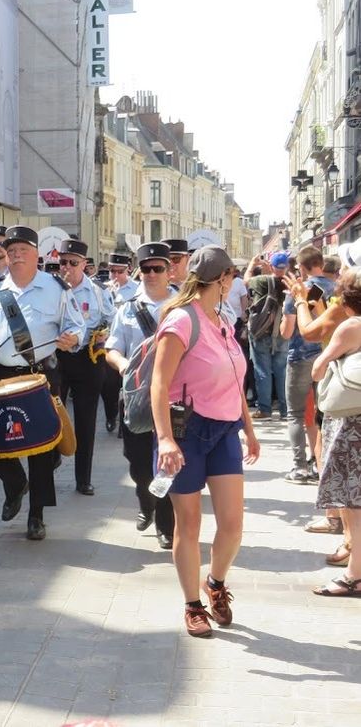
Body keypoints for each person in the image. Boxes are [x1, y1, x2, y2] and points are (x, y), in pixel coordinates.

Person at [151, 245, 260, 638]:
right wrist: (165, 440)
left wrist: (248, 427)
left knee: (232, 524)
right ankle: (192, 605)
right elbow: (159, 384)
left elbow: (234, 376)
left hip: (225, 430)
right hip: (187, 432)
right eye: (232, 276)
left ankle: (214, 583)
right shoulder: (182, 320)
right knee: (190, 524)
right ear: (224, 279)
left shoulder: (222, 318)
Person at [0, 226, 83, 540]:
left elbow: (75, 325)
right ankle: (15, 483)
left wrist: (72, 337)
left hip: (38, 375)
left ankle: (37, 515)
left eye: (22, 251)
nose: (15, 255)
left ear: (37, 256)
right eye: (11, 250)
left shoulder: (56, 288)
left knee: (40, 447)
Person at [105, 243, 176, 549]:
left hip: (174, 396)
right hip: (135, 396)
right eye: (145, 269)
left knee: (166, 461)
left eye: (157, 268)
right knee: (137, 463)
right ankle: (145, 501)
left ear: (169, 271)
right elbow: (112, 348)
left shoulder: (183, 307)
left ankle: (165, 523)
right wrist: (124, 367)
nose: (150, 274)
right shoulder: (128, 308)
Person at [310, 268, 361, 597]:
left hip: (351, 421)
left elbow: (318, 369)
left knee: (354, 501)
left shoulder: (352, 327)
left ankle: (354, 574)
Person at [57, 238, 115, 495]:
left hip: (88, 358)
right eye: (62, 262)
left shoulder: (98, 292)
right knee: (52, 414)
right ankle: (51, 459)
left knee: (86, 419)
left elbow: (111, 321)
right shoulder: (52, 288)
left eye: (73, 263)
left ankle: (84, 478)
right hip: (57, 359)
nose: (66, 267)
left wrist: (104, 334)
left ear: (85, 265)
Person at [280, 247, 335, 484]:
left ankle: (300, 466)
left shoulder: (298, 290)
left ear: (300, 268)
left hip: (301, 356)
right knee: (323, 413)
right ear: (321, 263)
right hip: (328, 355)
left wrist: (290, 305)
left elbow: (286, 331)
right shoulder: (336, 288)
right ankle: (321, 463)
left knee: (296, 413)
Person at [247, 250, 290, 420]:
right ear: (286, 266)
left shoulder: (261, 280)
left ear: (271, 266)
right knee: (282, 371)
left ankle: (265, 409)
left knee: (262, 370)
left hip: (261, 332)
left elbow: (246, 281)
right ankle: (286, 410)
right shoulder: (290, 282)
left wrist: (252, 264)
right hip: (283, 331)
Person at [101, 253, 135, 434]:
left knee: (127, 385)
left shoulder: (137, 288)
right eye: (112, 271)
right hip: (109, 343)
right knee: (109, 386)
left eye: (119, 271)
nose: (115, 275)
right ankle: (110, 416)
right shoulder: (102, 289)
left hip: (129, 342)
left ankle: (124, 421)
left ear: (127, 270)